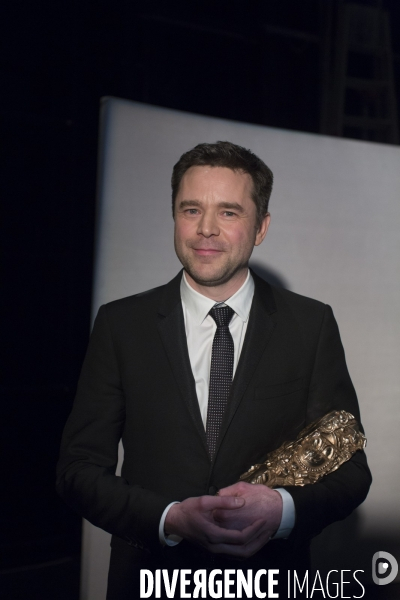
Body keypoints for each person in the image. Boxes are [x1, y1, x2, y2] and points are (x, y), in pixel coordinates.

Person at [56, 141, 371, 599]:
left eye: (228, 212)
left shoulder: (310, 324)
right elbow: (78, 469)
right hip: (150, 581)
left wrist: (281, 510)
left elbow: (351, 469)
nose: (205, 229)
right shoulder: (121, 324)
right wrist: (169, 518)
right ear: (174, 217)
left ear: (260, 227)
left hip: (269, 583)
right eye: (190, 210)